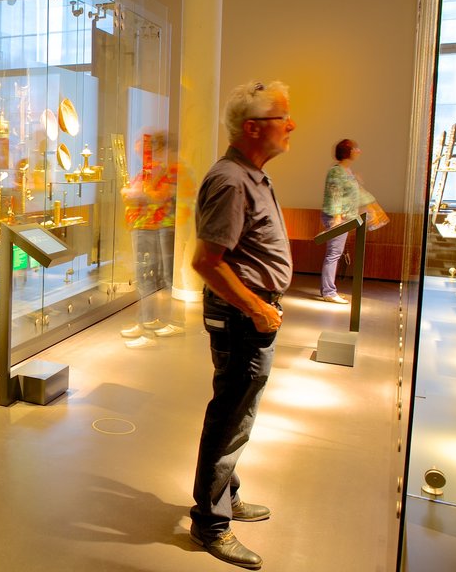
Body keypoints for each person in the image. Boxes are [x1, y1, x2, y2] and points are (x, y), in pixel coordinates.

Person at [189, 81, 295, 570]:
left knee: (237, 412)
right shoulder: (232, 179)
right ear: (253, 127)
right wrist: (256, 306)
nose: (291, 125)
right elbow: (207, 261)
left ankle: (225, 497)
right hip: (241, 318)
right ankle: (211, 523)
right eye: (283, 117)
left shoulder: (251, 175)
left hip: (249, 314)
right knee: (230, 415)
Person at [120, 131, 180, 346]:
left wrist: (134, 194)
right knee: (147, 277)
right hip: (143, 226)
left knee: (150, 277)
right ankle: (146, 321)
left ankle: (148, 329)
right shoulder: (150, 170)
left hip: (151, 226)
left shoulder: (162, 170)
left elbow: (157, 196)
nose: (140, 151)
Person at [319, 139, 361, 303]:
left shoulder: (346, 171)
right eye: (356, 148)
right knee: (333, 254)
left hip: (345, 218)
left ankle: (328, 289)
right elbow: (334, 194)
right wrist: (336, 217)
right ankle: (329, 292)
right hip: (338, 218)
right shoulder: (336, 172)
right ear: (348, 151)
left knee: (335, 254)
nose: (359, 151)